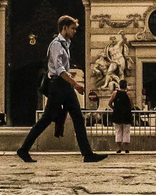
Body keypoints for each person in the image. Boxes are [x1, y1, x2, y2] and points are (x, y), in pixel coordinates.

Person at [15, 15, 105, 163]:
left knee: (78, 118)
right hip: (58, 86)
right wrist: (75, 84)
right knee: (46, 119)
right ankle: (23, 149)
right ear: (64, 28)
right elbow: (59, 69)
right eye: (72, 28)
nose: (75, 31)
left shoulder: (65, 44)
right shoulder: (56, 45)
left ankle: (87, 154)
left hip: (64, 86)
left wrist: (71, 84)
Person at [108, 81, 135, 154]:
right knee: (126, 131)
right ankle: (126, 148)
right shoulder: (128, 94)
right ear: (126, 86)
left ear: (119, 85)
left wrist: (114, 108)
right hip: (126, 115)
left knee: (118, 131)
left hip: (117, 114)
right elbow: (132, 105)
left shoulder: (115, 93)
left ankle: (119, 147)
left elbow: (109, 103)